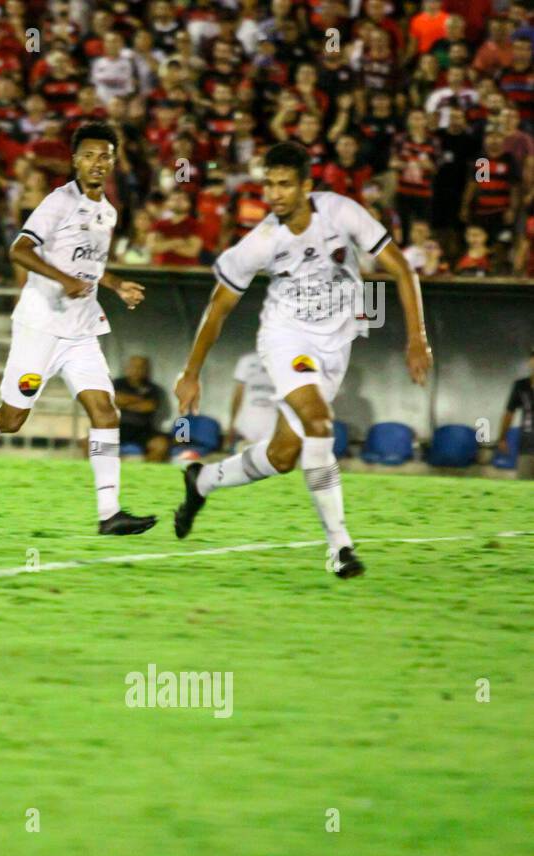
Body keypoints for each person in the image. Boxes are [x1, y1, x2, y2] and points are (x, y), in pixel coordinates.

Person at [171, 141, 434, 578]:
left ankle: (202, 481)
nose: (274, 194)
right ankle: (340, 547)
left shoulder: (341, 213)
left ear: (306, 186)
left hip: (337, 343)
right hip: (285, 339)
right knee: (319, 423)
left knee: (282, 455)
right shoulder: (261, 242)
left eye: (284, 185)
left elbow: (401, 269)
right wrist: (191, 371)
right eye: (268, 185)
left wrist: (416, 337)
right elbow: (217, 308)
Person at [0, 122, 157, 536]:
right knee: (11, 419)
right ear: (75, 161)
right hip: (42, 326)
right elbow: (20, 250)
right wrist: (63, 280)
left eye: (105, 156)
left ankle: (110, 514)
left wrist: (116, 286)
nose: (97, 163)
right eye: (89, 156)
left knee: (105, 412)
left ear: (114, 162)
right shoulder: (58, 203)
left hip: (81, 331)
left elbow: (90, 267)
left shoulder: (108, 212)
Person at [113, 355, 170, 461]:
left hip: (143, 430)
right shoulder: (117, 383)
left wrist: (124, 404)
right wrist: (140, 400)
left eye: (141, 367)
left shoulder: (153, 388)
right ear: (127, 368)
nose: (136, 370)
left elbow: (149, 406)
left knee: (161, 445)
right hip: (117, 427)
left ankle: (145, 472)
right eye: (133, 367)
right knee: (91, 443)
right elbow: (114, 399)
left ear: (146, 370)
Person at [227, 351, 277, 449]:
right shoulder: (247, 360)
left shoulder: (247, 360)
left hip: (257, 424)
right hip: (258, 425)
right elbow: (238, 394)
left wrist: (232, 423)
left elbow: (238, 394)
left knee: (243, 461)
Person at [498, 349, 534, 479]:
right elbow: (509, 414)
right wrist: (502, 438)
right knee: (524, 489)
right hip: (527, 447)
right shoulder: (521, 386)